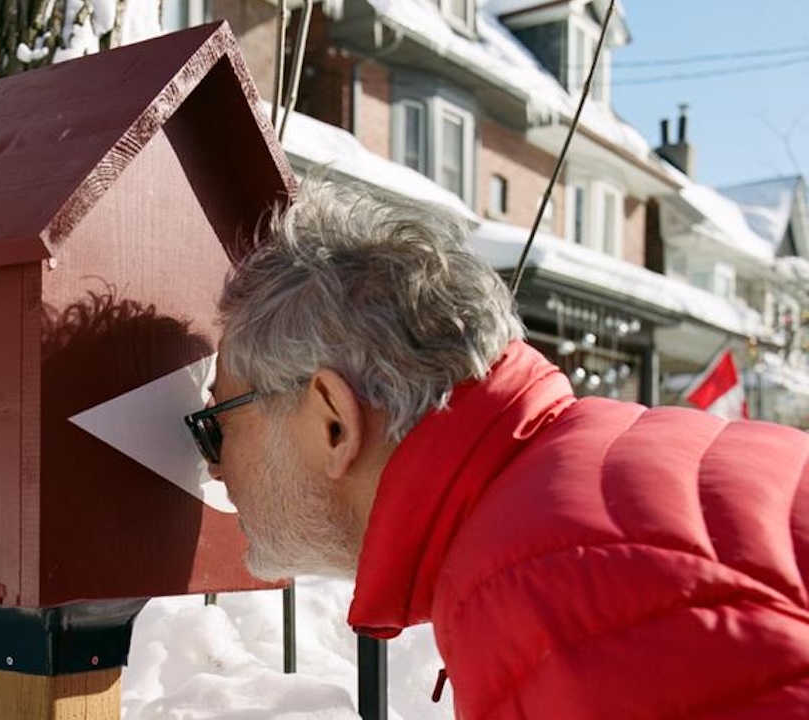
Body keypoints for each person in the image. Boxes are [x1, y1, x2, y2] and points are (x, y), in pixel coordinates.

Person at [184, 178, 809, 718]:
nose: (212, 466)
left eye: (219, 424)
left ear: (333, 423)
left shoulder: (546, 592)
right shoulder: (595, 480)